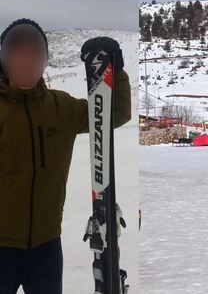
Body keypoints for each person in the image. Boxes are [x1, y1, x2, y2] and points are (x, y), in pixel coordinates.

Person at [0, 18, 131, 294]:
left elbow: (113, 114)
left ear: (44, 60)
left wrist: (114, 69)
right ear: (4, 59)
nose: (27, 59)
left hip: (47, 247)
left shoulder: (62, 108)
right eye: (18, 52)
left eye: (35, 52)